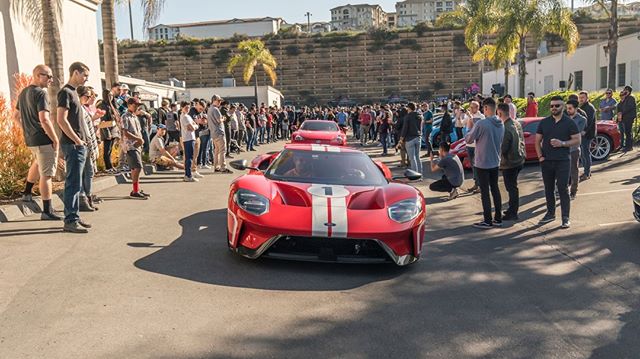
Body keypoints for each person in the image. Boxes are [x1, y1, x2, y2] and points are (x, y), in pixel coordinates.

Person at [15, 64, 61, 220]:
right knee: (46, 175)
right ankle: (47, 211)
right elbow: (44, 119)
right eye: (48, 76)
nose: (51, 79)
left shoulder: (23, 93)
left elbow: (15, 116)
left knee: (37, 163)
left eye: (51, 76)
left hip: (32, 140)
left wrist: (27, 130)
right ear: (37, 75)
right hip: (43, 139)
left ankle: (27, 193)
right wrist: (55, 139)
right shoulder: (41, 94)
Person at [535, 96, 581, 229]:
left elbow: (577, 140)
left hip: (563, 161)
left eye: (557, 106)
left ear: (563, 106)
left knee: (562, 189)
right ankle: (550, 213)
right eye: (552, 106)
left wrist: (563, 143)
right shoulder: (544, 122)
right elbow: (537, 141)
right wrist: (540, 158)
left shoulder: (569, 122)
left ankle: (565, 218)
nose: (554, 108)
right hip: (547, 162)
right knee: (548, 189)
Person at [56, 62, 92, 233]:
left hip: (79, 145)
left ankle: (74, 216)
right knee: (72, 183)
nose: (86, 79)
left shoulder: (74, 93)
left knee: (77, 183)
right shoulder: (65, 92)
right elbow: (61, 120)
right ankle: (70, 220)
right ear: (75, 73)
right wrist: (78, 140)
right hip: (73, 145)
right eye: (85, 75)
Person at [464, 97, 505, 229]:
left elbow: (469, 139)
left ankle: (487, 220)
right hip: (495, 161)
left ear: (486, 108)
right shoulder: (501, 123)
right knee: (495, 189)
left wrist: (469, 127)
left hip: (482, 162)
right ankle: (498, 218)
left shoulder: (482, 124)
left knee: (485, 192)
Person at [77, 86, 104, 212]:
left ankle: (88, 197)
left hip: (89, 142)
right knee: (84, 173)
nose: (90, 98)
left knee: (89, 172)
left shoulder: (84, 108)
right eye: (88, 96)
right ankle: (83, 199)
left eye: (92, 96)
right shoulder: (78, 108)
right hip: (83, 144)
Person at [497, 103, 525, 221]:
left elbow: (503, 148)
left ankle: (513, 212)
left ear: (500, 113)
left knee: (511, 188)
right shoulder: (516, 123)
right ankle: (512, 209)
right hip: (519, 159)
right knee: (513, 187)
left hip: (510, 162)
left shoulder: (506, 128)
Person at [121, 97, 150, 199]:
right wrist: (138, 139)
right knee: (137, 167)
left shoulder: (134, 116)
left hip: (136, 145)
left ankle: (136, 189)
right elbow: (125, 132)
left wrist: (140, 140)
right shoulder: (125, 116)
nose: (137, 107)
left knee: (135, 168)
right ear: (129, 105)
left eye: (138, 105)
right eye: (135, 105)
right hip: (130, 145)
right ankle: (135, 190)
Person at [207, 94, 233, 173]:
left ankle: (216, 167)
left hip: (214, 133)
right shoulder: (215, 109)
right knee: (222, 150)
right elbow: (219, 120)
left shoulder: (210, 109)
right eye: (218, 101)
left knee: (217, 151)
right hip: (219, 132)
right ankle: (223, 167)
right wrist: (223, 118)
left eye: (220, 101)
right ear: (214, 100)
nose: (220, 102)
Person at [465, 101, 484, 194]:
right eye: (470, 107)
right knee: (473, 166)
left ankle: (480, 185)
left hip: (477, 145)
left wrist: (471, 118)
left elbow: (475, 129)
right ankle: (476, 183)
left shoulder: (481, 117)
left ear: (478, 107)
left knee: (478, 165)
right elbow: (465, 127)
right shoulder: (468, 116)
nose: (472, 109)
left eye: (474, 107)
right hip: (469, 144)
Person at [398, 102, 422, 176]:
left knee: (412, 158)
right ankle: (420, 174)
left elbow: (405, 129)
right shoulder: (420, 116)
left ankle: (415, 175)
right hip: (418, 137)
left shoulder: (407, 117)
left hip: (410, 138)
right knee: (418, 157)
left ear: (409, 108)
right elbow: (421, 127)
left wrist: (401, 139)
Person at [578, 91, 596, 181]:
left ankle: (587, 173)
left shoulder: (589, 108)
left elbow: (589, 122)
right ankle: (587, 171)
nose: (581, 99)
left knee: (585, 153)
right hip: (582, 133)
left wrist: (584, 131)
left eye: (583, 97)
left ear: (587, 98)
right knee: (583, 153)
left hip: (587, 134)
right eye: (580, 97)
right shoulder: (582, 106)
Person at [180, 101, 199, 182]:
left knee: (190, 157)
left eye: (188, 107)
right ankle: (188, 175)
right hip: (188, 139)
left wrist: (195, 125)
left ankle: (188, 175)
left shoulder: (187, 116)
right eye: (186, 108)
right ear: (182, 108)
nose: (187, 109)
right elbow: (191, 127)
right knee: (189, 158)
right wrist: (196, 126)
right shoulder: (185, 117)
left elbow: (193, 125)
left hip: (190, 138)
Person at [617, 85, 637, 153]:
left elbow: (629, 107)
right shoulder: (625, 98)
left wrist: (622, 113)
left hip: (629, 117)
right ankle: (627, 146)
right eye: (624, 89)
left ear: (629, 91)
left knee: (628, 132)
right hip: (625, 117)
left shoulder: (631, 98)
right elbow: (620, 106)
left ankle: (629, 146)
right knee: (626, 132)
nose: (624, 91)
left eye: (626, 90)